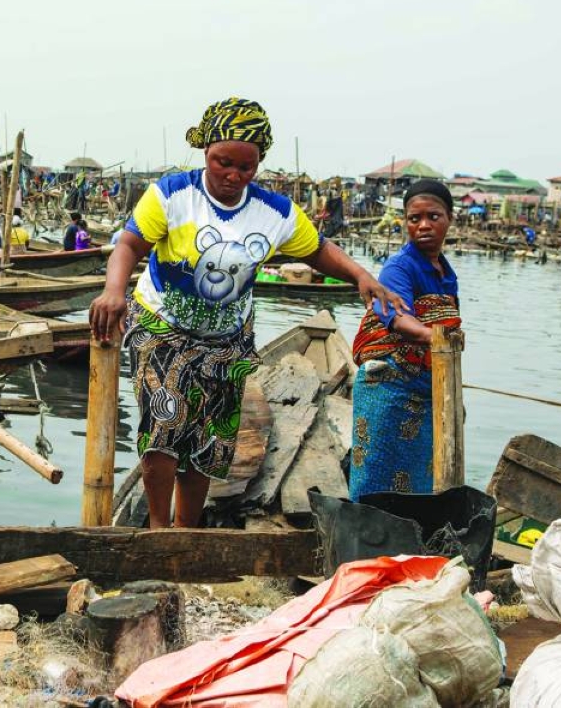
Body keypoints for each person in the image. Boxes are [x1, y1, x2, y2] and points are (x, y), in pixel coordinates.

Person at [88, 97, 404, 529]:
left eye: (245, 167)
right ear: (206, 152)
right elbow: (128, 245)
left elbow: (319, 251)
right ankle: (158, 531)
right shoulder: (172, 194)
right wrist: (113, 291)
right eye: (223, 163)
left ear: (258, 165)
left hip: (227, 339)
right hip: (163, 326)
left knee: (209, 441)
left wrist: (361, 277)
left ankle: (187, 530)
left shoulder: (274, 213)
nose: (233, 176)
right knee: (163, 430)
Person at [348, 179, 460, 502]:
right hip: (389, 389)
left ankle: (410, 546)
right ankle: (368, 544)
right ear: (406, 222)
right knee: (376, 479)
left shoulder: (446, 273)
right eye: (414, 218)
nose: (423, 225)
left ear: (450, 218)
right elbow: (396, 317)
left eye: (433, 217)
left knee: (422, 482)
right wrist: (435, 337)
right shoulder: (399, 266)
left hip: (426, 391)